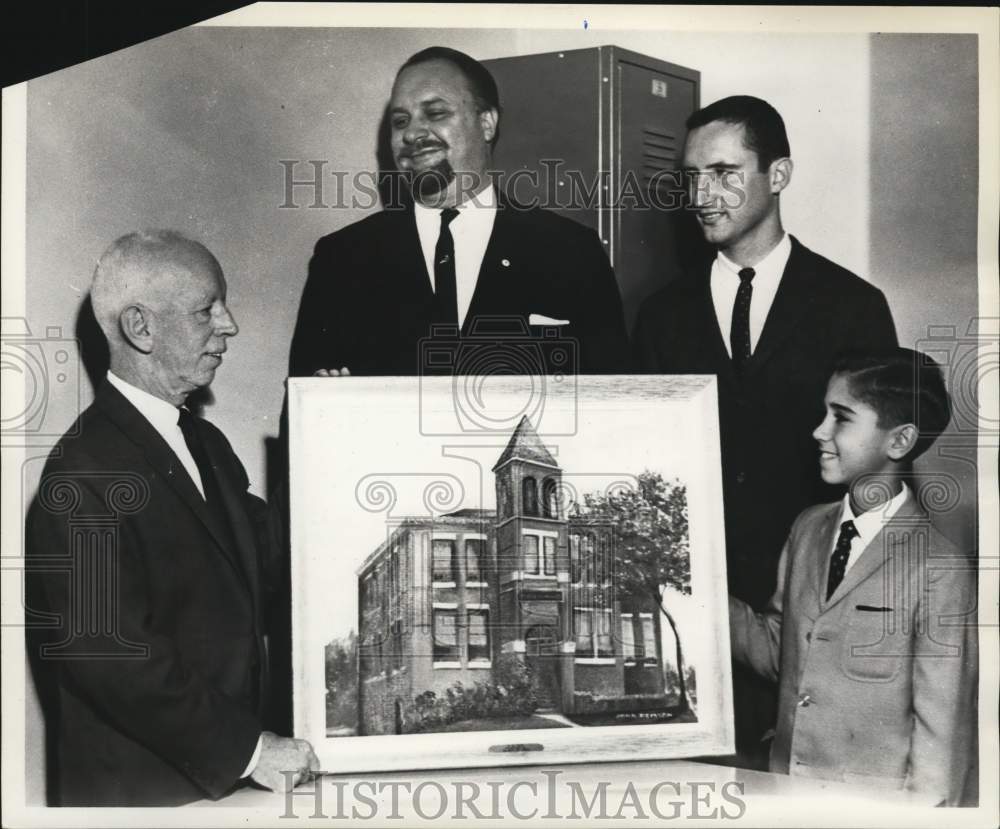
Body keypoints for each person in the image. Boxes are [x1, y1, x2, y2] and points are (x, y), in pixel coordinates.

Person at [631, 95, 898, 765]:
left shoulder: (853, 306)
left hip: (811, 621)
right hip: (696, 624)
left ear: (778, 174)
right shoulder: (661, 316)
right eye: (691, 177)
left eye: (724, 172)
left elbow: (882, 487)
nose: (702, 194)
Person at [26, 231, 318, 806]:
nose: (229, 324)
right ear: (141, 328)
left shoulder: (206, 444)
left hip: (220, 788)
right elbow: (111, 655)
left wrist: (336, 443)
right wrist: (252, 750)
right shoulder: (81, 474)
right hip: (142, 797)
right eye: (208, 308)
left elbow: (270, 561)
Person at [729, 348, 977, 805]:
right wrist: (695, 593)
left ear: (899, 441)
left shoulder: (939, 570)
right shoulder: (808, 527)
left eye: (841, 418)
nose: (818, 430)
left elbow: (941, 744)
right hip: (785, 793)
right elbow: (780, 649)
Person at [288, 46, 630, 378]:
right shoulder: (343, 258)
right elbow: (300, 419)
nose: (412, 133)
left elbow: (615, 411)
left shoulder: (570, 250)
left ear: (487, 123)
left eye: (435, 113)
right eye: (400, 120)